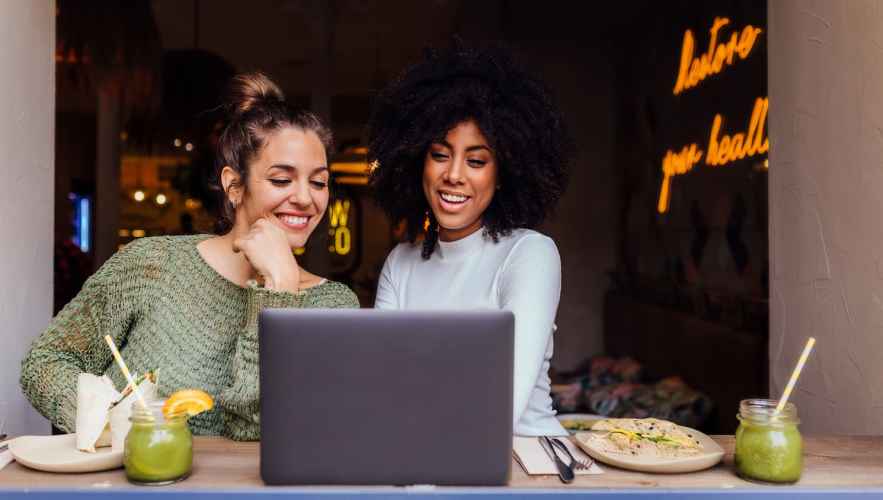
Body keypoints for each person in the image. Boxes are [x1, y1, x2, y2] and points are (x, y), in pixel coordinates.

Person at [21, 73, 359, 440]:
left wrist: (280, 290)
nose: (306, 199)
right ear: (234, 185)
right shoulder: (151, 265)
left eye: (319, 182)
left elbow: (258, 432)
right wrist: (115, 432)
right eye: (281, 180)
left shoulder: (335, 306)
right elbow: (46, 364)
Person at [368, 43, 571, 436]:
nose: (454, 175)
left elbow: (501, 404)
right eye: (440, 154)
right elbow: (382, 386)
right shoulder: (400, 263)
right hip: (421, 452)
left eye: (476, 161)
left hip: (523, 462)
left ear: (503, 173)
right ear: (416, 161)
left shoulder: (529, 254)